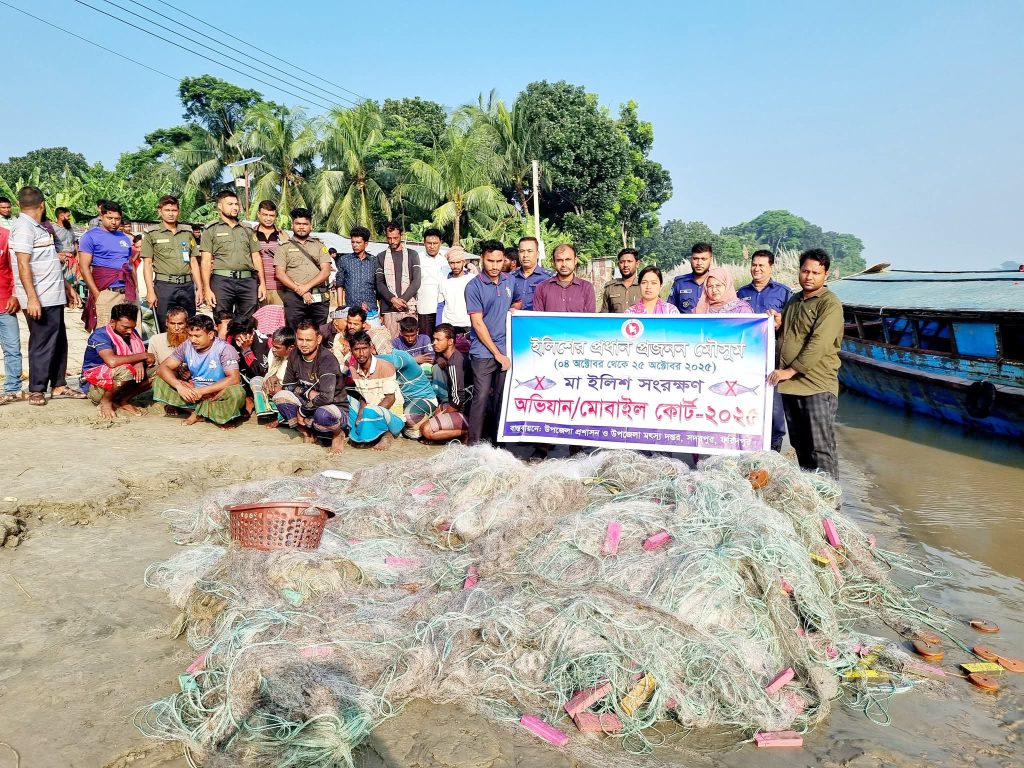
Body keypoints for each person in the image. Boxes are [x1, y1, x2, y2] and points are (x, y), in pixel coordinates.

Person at [768, 249, 844, 479]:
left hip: (816, 386)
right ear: (799, 271)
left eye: (815, 273)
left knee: (820, 448)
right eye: (805, 271)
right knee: (800, 446)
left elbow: (819, 343)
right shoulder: (794, 300)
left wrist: (790, 370)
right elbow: (790, 335)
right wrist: (779, 324)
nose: (809, 276)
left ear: (825, 275)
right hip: (791, 387)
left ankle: (830, 497)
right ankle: (811, 494)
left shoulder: (829, 304)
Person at [10, 186, 84, 405]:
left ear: (19, 204)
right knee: (41, 342)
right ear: (42, 205)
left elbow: (49, 262)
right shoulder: (24, 227)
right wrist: (32, 298)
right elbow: (23, 265)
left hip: (53, 294)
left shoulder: (40, 227)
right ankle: (37, 388)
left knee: (59, 341)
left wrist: (67, 287)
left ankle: (59, 385)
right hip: (40, 297)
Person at [465, 239, 523, 445]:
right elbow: (478, 324)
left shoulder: (510, 281)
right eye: (490, 261)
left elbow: (518, 300)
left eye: (499, 261)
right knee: (481, 398)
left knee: (501, 399)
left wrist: (513, 310)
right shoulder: (473, 286)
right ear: (482, 259)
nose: (495, 266)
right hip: (483, 352)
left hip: (506, 349)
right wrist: (497, 354)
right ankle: (474, 445)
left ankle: (498, 443)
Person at [738, 250, 792, 452]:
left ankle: (775, 448)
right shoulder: (740, 293)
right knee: (745, 398)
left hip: (774, 356)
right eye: (754, 264)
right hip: (747, 356)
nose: (757, 269)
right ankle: (746, 445)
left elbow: (792, 325)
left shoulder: (784, 293)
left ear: (771, 267)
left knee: (775, 404)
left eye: (762, 265)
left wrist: (780, 322)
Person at [153, 313, 245, 427]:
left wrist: (202, 391)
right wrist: (179, 386)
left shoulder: (225, 349)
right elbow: (162, 368)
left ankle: (198, 412)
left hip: (217, 394)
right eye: (190, 335)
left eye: (197, 336)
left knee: (237, 393)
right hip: (194, 393)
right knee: (160, 381)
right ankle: (203, 412)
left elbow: (234, 379)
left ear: (210, 334)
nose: (193, 340)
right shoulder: (187, 345)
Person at [272, 321, 348, 454]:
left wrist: (302, 411)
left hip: (333, 407)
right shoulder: (295, 354)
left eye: (308, 340)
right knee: (280, 397)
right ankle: (308, 433)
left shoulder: (327, 360)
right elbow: (288, 385)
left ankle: (338, 434)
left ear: (318, 339)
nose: (303, 344)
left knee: (322, 414)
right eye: (300, 339)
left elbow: (326, 397)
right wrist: (307, 393)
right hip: (309, 401)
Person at [81, 302, 155, 419]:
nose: (130, 331)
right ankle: (106, 401)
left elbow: (138, 354)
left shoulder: (132, 332)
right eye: (125, 327)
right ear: (112, 322)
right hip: (94, 384)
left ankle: (123, 400)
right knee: (127, 370)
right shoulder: (100, 335)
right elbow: (112, 362)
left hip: (120, 379)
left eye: (132, 327)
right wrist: (143, 356)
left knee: (159, 370)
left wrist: (139, 362)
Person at [200, 189, 264, 317]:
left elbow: (256, 257)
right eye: (230, 204)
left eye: (236, 204)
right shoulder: (211, 229)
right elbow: (205, 261)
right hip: (222, 282)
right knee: (223, 320)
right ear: (220, 206)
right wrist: (206, 288)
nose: (235, 207)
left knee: (247, 321)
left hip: (247, 281)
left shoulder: (247, 229)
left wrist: (262, 283)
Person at [141, 195, 201, 329]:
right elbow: (147, 264)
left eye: (174, 210)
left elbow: (193, 261)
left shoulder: (187, 232)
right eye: (167, 210)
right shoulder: (152, 233)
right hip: (164, 287)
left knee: (189, 324)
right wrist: (150, 291)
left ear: (178, 211)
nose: (171, 213)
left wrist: (199, 288)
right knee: (165, 324)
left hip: (187, 286)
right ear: (160, 211)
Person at [78, 201, 135, 331]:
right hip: (106, 292)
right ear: (101, 217)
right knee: (106, 334)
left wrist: (135, 288)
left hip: (128, 293)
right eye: (110, 218)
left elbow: (130, 265)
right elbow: (83, 267)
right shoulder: (90, 236)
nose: (114, 222)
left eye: (117, 219)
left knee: (130, 332)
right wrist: (97, 294)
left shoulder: (125, 238)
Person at [273, 208, 332, 331]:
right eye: (298, 223)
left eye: (305, 224)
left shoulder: (319, 246)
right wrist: (300, 290)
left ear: (311, 226)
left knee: (319, 331)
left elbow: (326, 271)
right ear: (292, 225)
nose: (301, 227)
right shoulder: (283, 248)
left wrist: (306, 287)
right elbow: (280, 274)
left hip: (318, 296)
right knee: (294, 331)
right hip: (294, 297)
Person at [346, 331, 405, 451]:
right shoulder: (353, 369)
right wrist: (361, 415)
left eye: (364, 348)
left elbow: (390, 398)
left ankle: (386, 435)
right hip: (369, 411)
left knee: (370, 411)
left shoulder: (385, 366)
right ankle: (368, 433)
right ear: (351, 351)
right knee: (346, 400)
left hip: (391, 416)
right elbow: (363, 396)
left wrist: (367, 417)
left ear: (371, 347)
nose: (361, 353)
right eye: (356, 349)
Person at [421, 323, 472, 443]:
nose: (434, 343)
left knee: (426, 430)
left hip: (464, 410)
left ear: (450, 342)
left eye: (438, 340)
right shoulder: (451, 358)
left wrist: (443, 414)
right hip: (456, 405)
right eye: (434, 339)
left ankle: (467, 432)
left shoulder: (455, 363)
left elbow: (458, 400)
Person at [377, 347, 438, 438]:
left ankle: (430, 417)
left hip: (425, 399)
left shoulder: (401, 355)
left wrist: (370, 357)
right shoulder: (381, 363)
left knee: (409, 416)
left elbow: (396, 362)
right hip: (404, 401)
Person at [375, 220, 421, 337]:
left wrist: (402, 300)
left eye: (395, 238)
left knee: (409, 341)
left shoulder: (412, 255)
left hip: (408, 308)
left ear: (401, 235)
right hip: (389, 309)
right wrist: (392, 300)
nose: (392, 241)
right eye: (389, 238)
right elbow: (379, 283)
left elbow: (416, 281)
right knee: (391, 343)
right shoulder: (381, 257)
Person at [533, 243, 596, 313]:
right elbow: (538, 318)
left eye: (568, 259)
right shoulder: (541, 288)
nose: (564, 264)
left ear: (575, 261)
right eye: (559, 260)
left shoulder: (587, 288)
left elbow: (589, 318)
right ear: (553, 262)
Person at [229, 315, 272, 415]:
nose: (240, 342)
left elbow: (258, 372)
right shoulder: (230, 341)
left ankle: (254, 401)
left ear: (252, 332)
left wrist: (246, 350)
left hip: (259, 381)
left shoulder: (264, 342)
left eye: (243, 337)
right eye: (237, 339)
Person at [0, 224, 24, 404]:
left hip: (4, 303)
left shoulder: (6, 236)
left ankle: (13, 388)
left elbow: (16, 268)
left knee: (12, 348)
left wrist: (15, 294)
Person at [321, 306, 391, 365]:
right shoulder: (340, 337)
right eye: (349, 323)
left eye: (355, 324)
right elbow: (339, 362)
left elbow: (387, 359)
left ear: (363, 324)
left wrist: (372, 355)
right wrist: (348, 357)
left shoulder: (374, 337)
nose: (351, 327)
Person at [253, 325, 294, 424]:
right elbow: (270, 371)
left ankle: (281, 416)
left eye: (277, 347)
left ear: (290, 348)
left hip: (287, 389)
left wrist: (280, 386)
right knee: (256, 380)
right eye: (273, 346)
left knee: (280, 392)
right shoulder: (272, 352)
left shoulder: (295, 360)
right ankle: (265, 412)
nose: (273, 349)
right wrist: (268, 380)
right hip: (273, 384)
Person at [334, 226, 377, 313]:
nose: (354, 245)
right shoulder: (344, 260)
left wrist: (381, 312)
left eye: (358, 242)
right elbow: (339, 284)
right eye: (352, 242)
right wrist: (340, 307)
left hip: (371, 309)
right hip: (351, 309)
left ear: (366, 244)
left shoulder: (374, 261)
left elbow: (378, 287)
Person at [436, 246, 474, 342]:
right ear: (448, 263)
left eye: (458, 262)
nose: (455, 266)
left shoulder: (473, 279)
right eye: (452, 263)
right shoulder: (443, 281)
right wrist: (439, 326)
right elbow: (440, 305)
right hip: (449, 325)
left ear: (463, 262)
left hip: (469, 324)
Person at [253, 200, 287, 306]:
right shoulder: (251, 234)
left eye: (271, 215)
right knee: (257, 316)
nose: (268, 219)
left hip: (279, 288)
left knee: (279, 316)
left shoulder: (283, 236)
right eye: (265, 215)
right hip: (255, 287)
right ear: (258, 214)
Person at [415, 227, 447, 338]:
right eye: (429, 243)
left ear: (440, 243)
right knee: (426, 339)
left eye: (435, 243)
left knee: (443, 339)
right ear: (424, 243)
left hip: (444, 308)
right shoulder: (417, 258)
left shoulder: (446, 258)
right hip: (425, 308)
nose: (432, 246)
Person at [668, 242, 713, 313]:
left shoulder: (717, 283)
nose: (699, 263)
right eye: (695, 259)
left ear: (710, 260)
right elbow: (670, 311)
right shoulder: (680, 283)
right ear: (690, 259)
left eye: (703, 259)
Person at [510, 236, 552, 311]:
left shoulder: (549, 278)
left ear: (537, 254)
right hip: (514, 318)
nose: (525, 255)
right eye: (522, 251)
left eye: (529, 251)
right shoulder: (510, 277)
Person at [601, 248, 642, 313]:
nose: (625, 265)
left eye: (629, 261)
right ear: (618, 265)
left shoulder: (644, 286)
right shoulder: (610, 288)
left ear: (637, 264)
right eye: (622, 262)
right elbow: (604, 315)